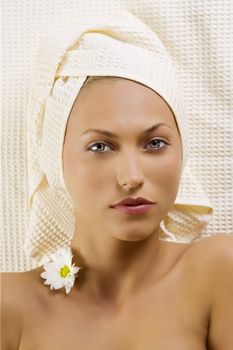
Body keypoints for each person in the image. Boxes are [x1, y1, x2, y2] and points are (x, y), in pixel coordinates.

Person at [1, 10, 233, 350]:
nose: (132, 177)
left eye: (155, 144)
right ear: (55, 159)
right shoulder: (11, 305)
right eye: (100, 146)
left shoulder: (217, 271)